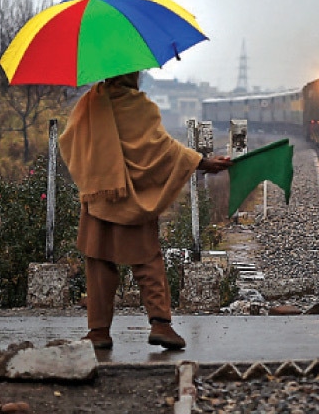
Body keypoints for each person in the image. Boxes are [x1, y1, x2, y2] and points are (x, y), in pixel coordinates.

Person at [58, 71, 231, 350]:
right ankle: (161, 324)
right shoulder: (142, 107)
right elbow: (162, 150)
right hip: (133, 198)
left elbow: (69, 142)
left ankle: (99, 331)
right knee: (148, 260)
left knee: (99, 262)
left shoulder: (90, 103)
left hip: (99, 195)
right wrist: (202, 162)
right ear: (133, 75)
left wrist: (95, 173)